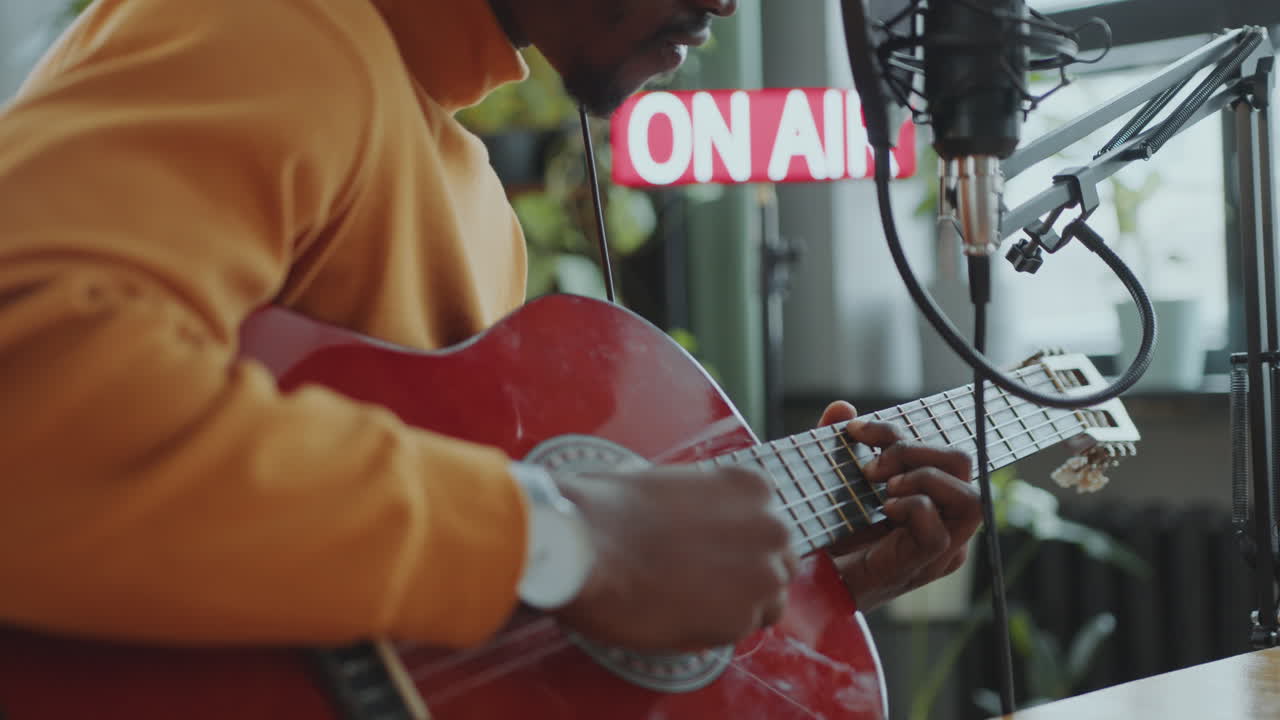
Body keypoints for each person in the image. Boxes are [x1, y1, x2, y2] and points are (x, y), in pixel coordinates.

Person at [0, 0, 979, 655]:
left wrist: (790, 589)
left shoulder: (478, 210)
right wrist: (569, 533)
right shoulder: (275, 23)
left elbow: (444, 634)